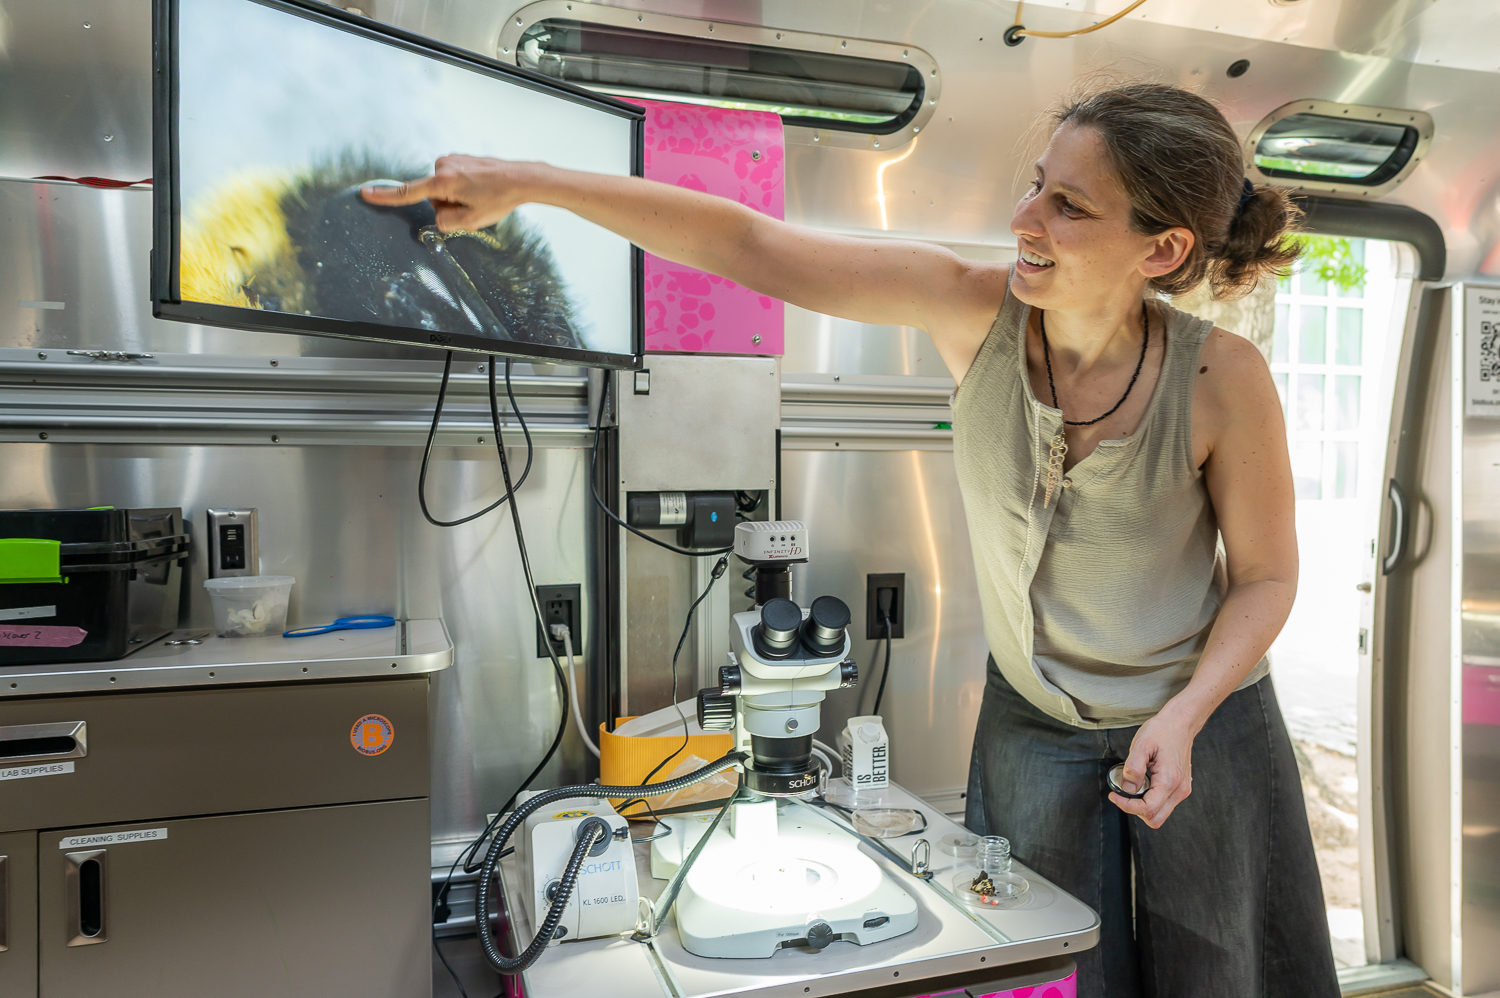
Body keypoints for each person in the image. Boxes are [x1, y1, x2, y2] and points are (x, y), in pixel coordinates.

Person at [364, 82, 1339, 996]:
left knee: (1229, 965)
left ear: (1160, 251)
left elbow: (1264, 576)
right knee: (1053, 964)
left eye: (1070, 206)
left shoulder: (1222, 377)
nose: (1025, 219)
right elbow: (752, 245)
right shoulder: (971, 309)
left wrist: (1188, 711)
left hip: (1203, 714)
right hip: (1034, 721)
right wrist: (531, 184)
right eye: (1036, 183)